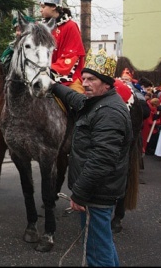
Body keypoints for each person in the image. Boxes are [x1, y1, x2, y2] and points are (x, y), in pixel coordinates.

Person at [49, 48, 132, 267]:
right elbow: (74, 97)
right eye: (83, 78)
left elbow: (102, 159)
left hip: (96, 194)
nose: (85, 84)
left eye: (91, 79)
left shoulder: (109, 112)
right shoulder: (96, 102)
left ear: (106, 83)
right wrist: (54, 85)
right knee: (102, 244)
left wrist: (80, 194)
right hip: (97, 192)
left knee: (97, 253)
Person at [39, 0, 86, 94]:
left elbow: (72, 55)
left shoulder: (70, 26)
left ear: (54, 7)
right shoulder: (39, 27)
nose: (40, 10)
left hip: (66, 76)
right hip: (40, 71)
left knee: (77, 99)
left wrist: (50, 70)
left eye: (43, 6)